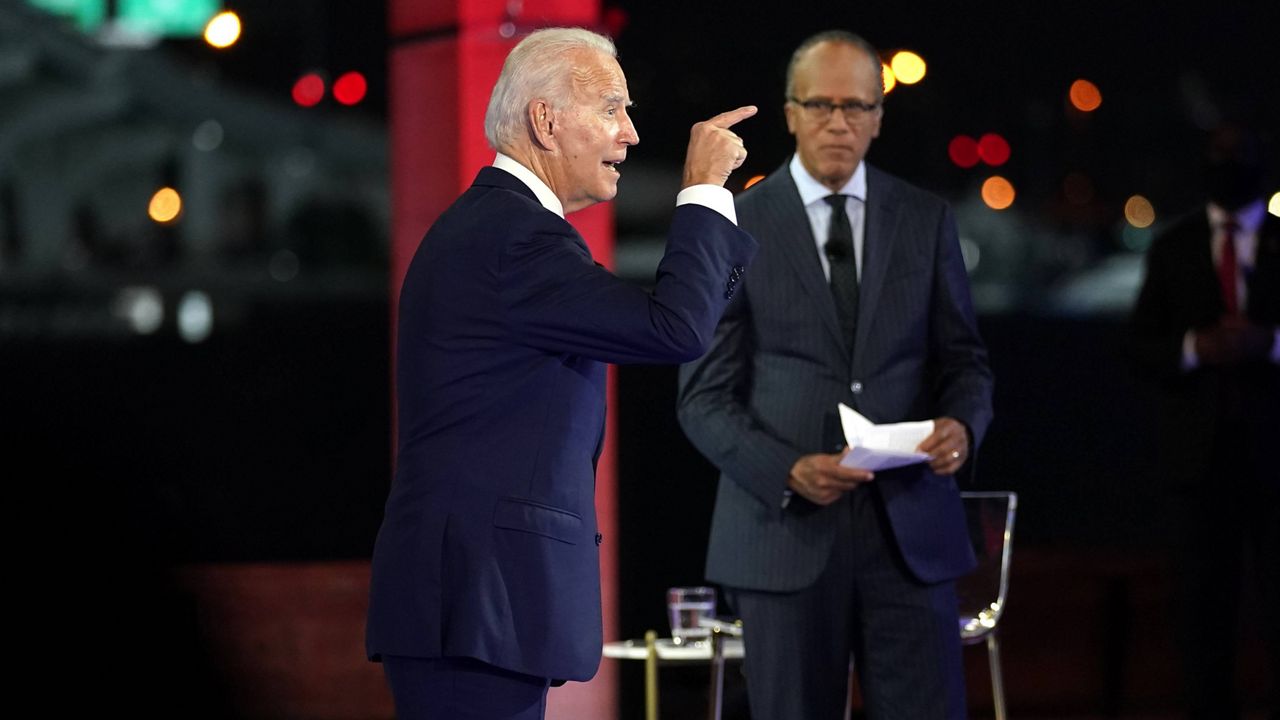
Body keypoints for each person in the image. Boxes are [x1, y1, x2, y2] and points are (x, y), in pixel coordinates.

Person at [364, 27, 759, 720]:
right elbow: (676, 329)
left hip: (479, 608)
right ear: (545, 121)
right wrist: (700, 189)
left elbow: (671, 320)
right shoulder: (516, 240)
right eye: (611, 108)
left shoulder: (502, 229)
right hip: (475, 608)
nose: (631, 134)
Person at [677, 30, 994, 720]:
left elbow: (965, 361)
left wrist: (963, 426)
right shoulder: (737, 226)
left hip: (909, 540)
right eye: (820, 105)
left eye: (856, 107)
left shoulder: (925, 219)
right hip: (780, 537)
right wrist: (787, 468)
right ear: (789, 112)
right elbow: (702, 398)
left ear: (879, 117)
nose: (838, 122)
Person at [1130, 119, 1279, 720]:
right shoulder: (1175, 246)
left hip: (1274, 457)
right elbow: (1140, 345)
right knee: (1201, 606)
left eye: (1239, 154)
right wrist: (1198, 346)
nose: (1229, 164)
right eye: (1219, 155)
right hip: (1198, 459)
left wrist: (1268, 344)